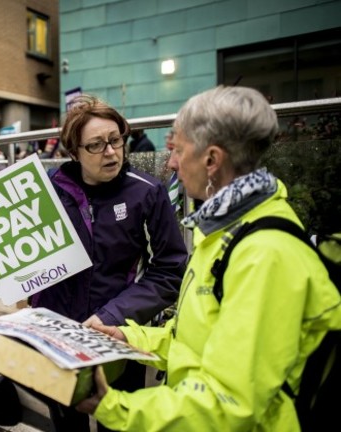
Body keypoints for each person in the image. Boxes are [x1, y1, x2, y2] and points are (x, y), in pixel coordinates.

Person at [75, 86, 341, 431]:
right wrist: (130, 338)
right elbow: (195, 338)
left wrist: (112, 406)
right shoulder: (222, 231)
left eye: (178, 150)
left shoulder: (264, 255)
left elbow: (231, 406)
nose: (170, 163)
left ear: (212, 160)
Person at [0, 94, 188, 432]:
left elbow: (169, 270)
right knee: (66, 422)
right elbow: (18, 264)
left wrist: (113, 316)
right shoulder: (43, 192)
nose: (111, 152)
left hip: (119, 335)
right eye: (97, 145)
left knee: (118, 423)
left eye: (116, 140)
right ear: (74, 151)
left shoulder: (147, 192)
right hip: (55, 336)